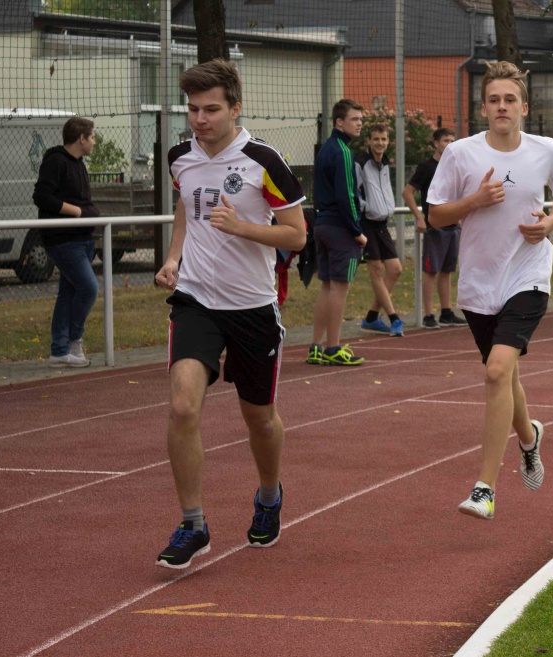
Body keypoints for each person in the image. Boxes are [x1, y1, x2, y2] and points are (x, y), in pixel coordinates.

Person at [153, 59, 307, 568]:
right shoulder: (180, 157)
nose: (200, 119)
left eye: (211, 110)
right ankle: (192, 523)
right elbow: (186, 206)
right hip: (196, 300)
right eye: (193, 109)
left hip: (252, 306)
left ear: (235, 108)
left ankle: (269, 495)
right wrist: (174, 258)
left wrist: (242, 228)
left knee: (258, 418)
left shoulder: (264, 161)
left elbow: (296, 235)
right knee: (182, 408)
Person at [427, 61, 553, 520]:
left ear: (524, 107)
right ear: (483, 108)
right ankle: (529, 438)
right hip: (480, 281)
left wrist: (551, 221)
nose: (502, 106)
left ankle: (484, 488)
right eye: (494, 100)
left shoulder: (545, 150)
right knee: (505, 375)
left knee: (495, 371)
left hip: (528, 273)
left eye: (510, 99)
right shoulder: (461, 154)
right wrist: (474, 201)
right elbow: (435, 215)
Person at [32, 117, 100, 368]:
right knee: (89, 288)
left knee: (68, 292)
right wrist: (77, 212)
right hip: (63, 240)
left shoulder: (79, 164)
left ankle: (60, 350)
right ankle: (73, 340)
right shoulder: (56, 161)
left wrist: (88, 215)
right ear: (82, 138)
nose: (94, 142)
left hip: (83, 238)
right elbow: (42, 196)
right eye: (92, 137)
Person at [306, 99, 368, 366]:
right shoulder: (343, 151)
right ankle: (333, 347)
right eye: (355, 119)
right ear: (339, 122)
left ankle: (316, 346)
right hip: (339, 228)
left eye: (361, 119)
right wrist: (357, 231)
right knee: (340, 288)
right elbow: (347, 196)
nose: (359, 124)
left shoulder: (325, 149)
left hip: (322, 224)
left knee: (327, 286)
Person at [403, 127, 467, 329]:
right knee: (431, 270)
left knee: (447, 270)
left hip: (453, 226)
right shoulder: (427, 167)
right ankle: (428, 314)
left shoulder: (455, 166)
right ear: (436, 143)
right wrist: (419, 217)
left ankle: (446, 311)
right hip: (435, 227)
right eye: (446, 140)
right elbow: (407, 192)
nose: (449, 144)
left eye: (452, 140)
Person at [355, 124, 404, 337]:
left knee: (395, 269)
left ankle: (371, 317)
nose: (380, 143)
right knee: (375, 269)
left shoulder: (385, 163)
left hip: (382, 223)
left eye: (383, 139)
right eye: (376, 139)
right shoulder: (360, 163)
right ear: (368, 140)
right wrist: (364, 209)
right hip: (366, 222)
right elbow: (355, 191)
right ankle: (394, 318)